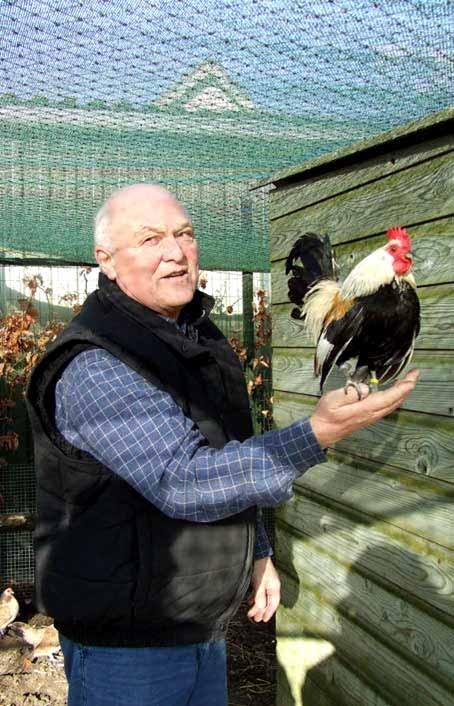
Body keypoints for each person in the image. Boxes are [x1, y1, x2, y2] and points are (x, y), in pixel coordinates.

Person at [25, 184, 419, 706]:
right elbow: (184, 479)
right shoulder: (95, 364)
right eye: (149, 239)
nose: (175, 251)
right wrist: (315, 434)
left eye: (184, 234)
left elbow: (226, 448)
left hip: (199, 628)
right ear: (107, 259)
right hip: (127, 648)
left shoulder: (199, 339)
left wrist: (256, 552)